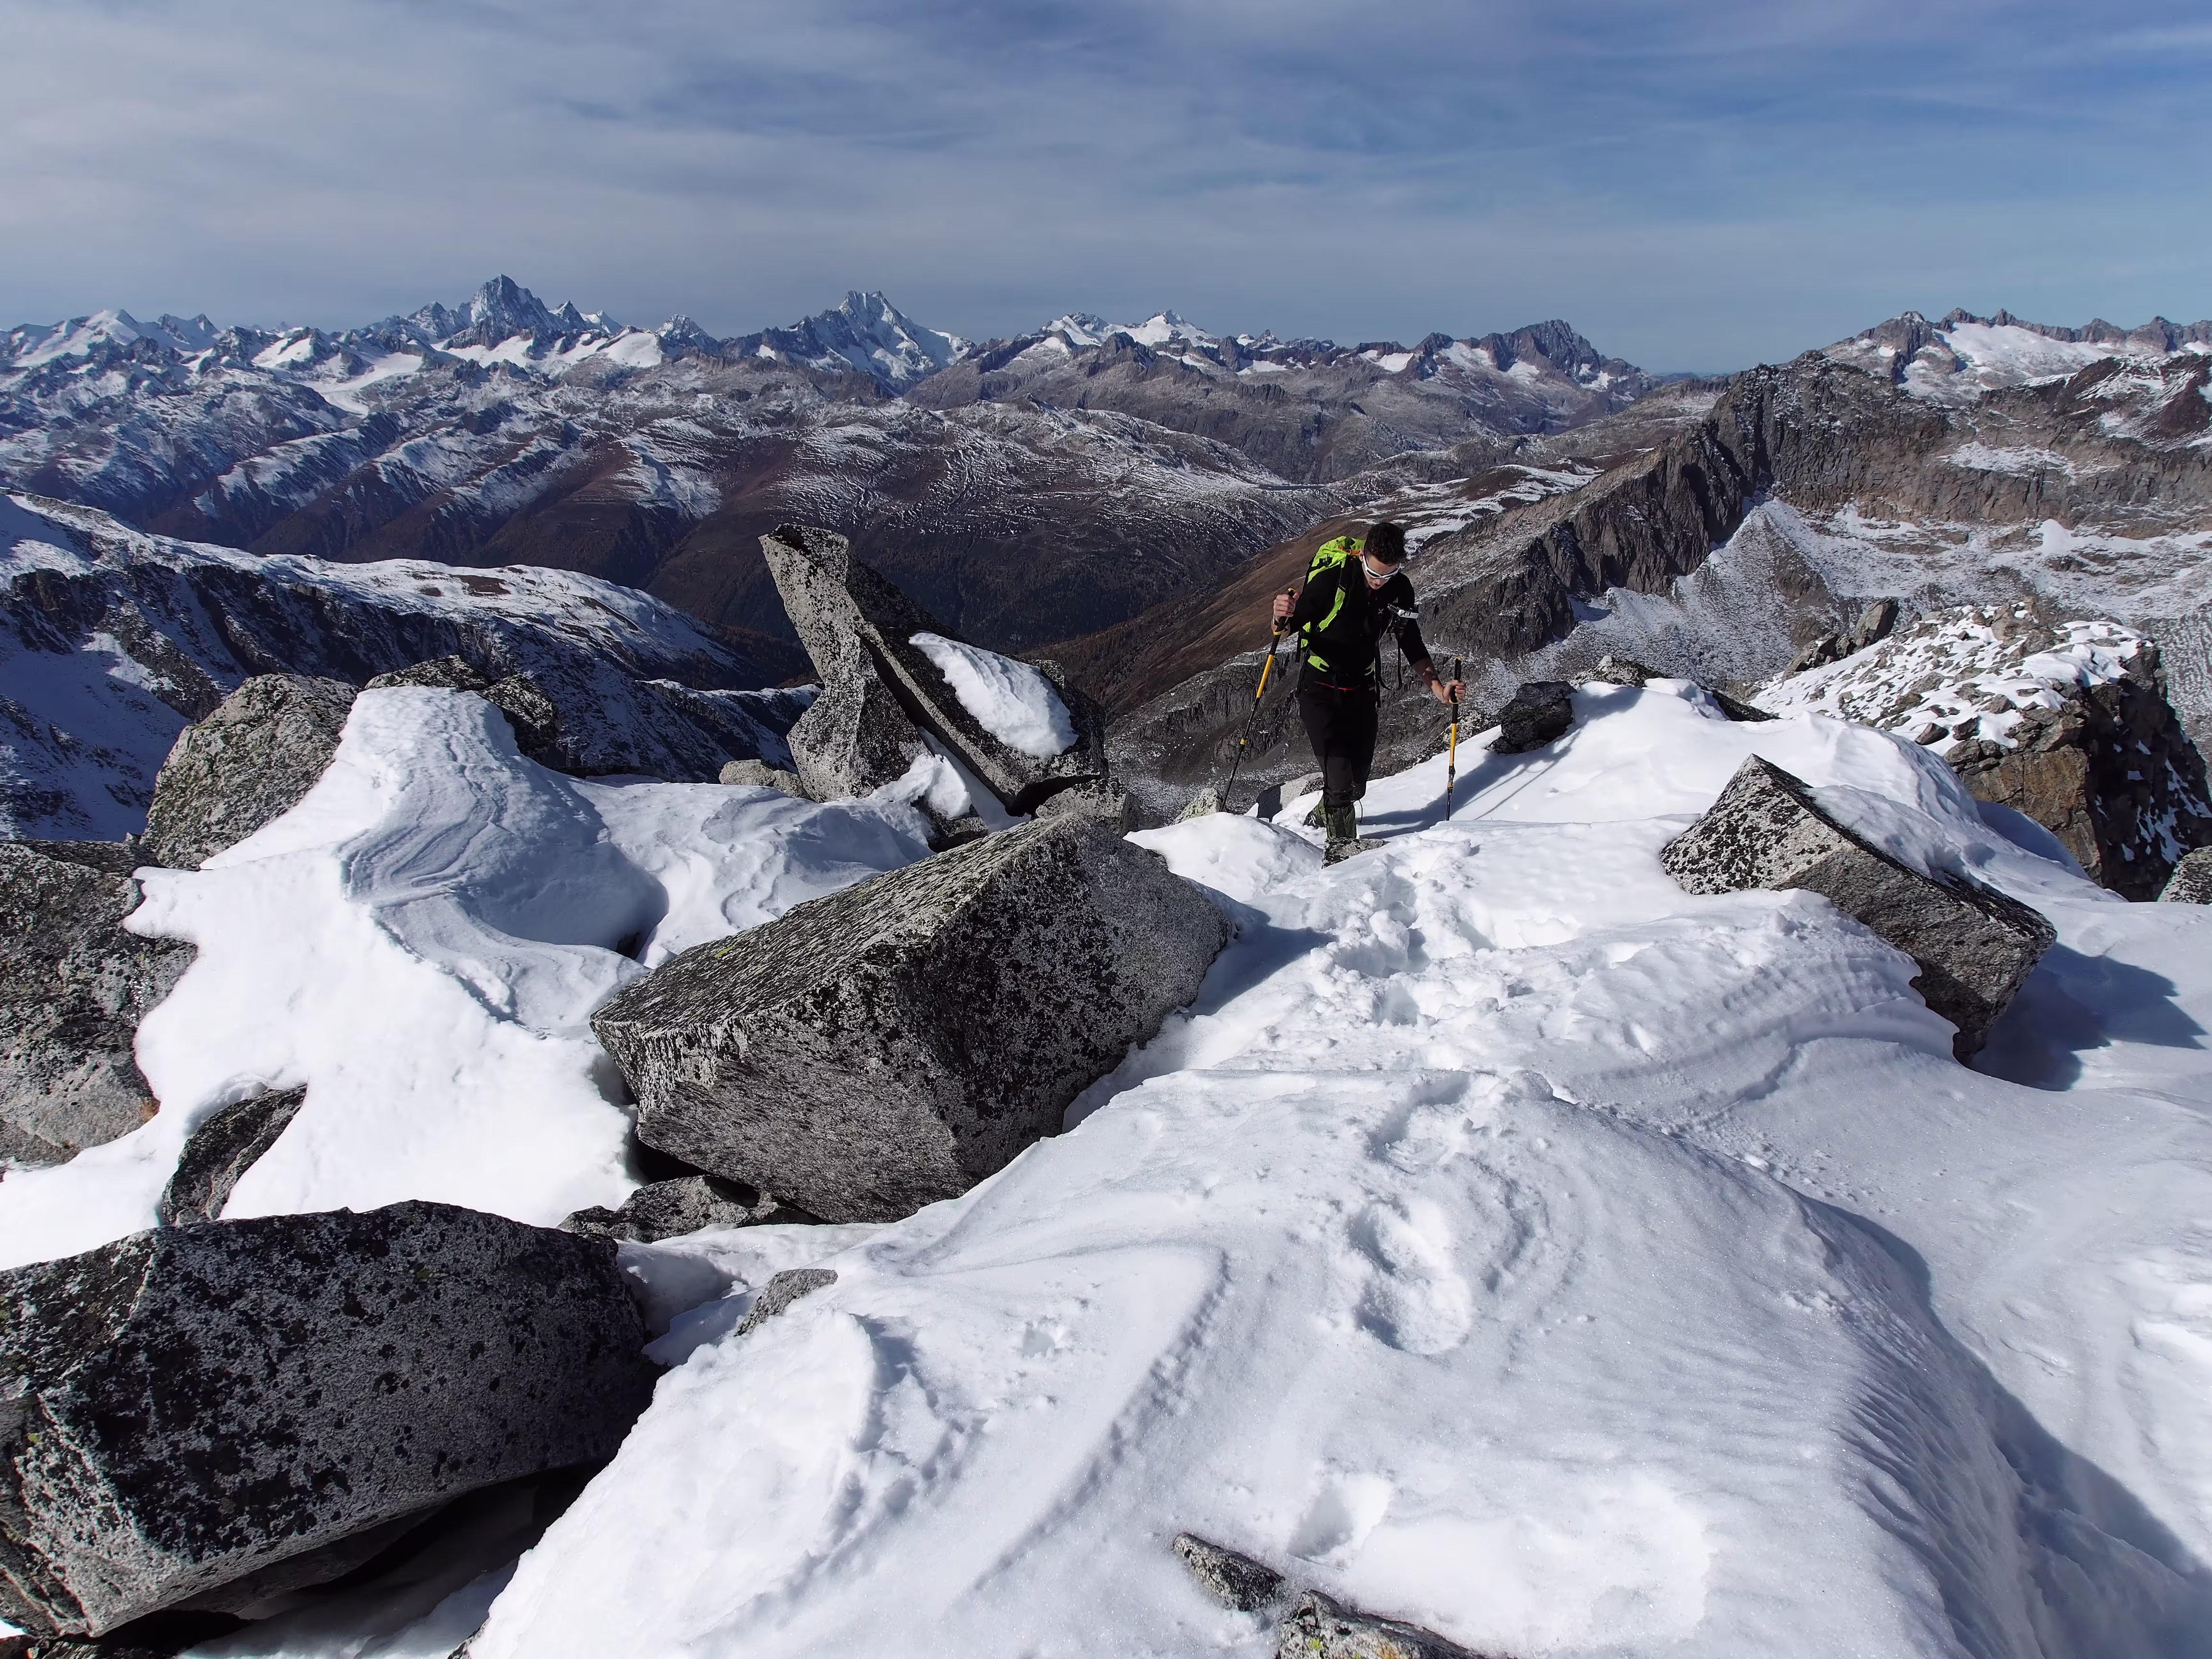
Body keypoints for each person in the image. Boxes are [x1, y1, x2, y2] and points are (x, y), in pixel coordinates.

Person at [1271, 521, 1462, 861]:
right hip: (1319, 684)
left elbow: (1410, 641)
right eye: (1373, 573)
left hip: (1361, 688)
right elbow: (1288, 627)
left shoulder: (1400, 589)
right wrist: (1279, 616)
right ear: (1362, 555)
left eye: (1387, 575)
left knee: (1356, 784)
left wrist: (1438, 688)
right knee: (1341, 772)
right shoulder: (1334, 579)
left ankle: (1326, 812)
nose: (1379, 582)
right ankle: (1342, 854)